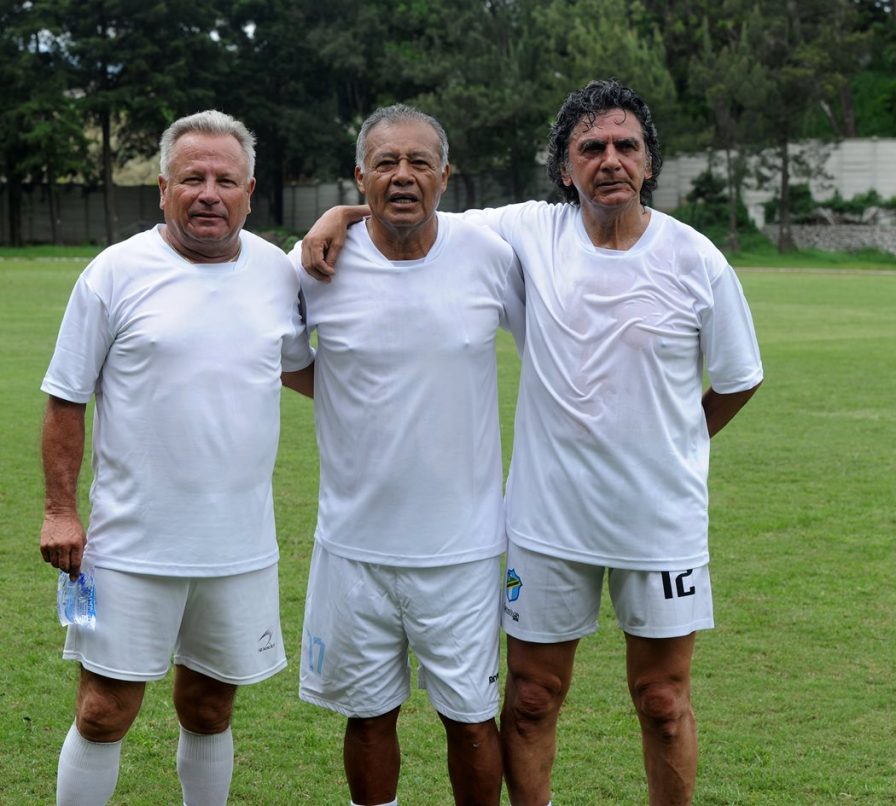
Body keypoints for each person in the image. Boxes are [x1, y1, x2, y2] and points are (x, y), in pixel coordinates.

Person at [301, 80, 763, 806]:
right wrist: (341, 212)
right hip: (546, 523)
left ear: (648, 162)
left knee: (664, 703)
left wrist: (679, 443)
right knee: (531, 699)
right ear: (564, 166)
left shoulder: (696, 258)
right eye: (590, 148)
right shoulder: (525, 234)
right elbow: (415, 199)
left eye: (625, 146)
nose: (608, 160)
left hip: (661, 521)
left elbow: (739, 378)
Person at [39, 109, 313, 806]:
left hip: (236, 547)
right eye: (193, 178)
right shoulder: (115, 272)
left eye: (226, 180)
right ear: (164, 187)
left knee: (210, 707)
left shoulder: (277, 275)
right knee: (104, 710)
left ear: (251, 191)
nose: (209, 193)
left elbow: (302, 372)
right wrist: (59, 511)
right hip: (129, 544)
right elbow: (66, 398)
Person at [282, 104, 524, 806]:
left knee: (473, 725)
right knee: (368, 716)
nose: (403, 176)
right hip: (354, 546)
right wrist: (355, 397)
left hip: (464, 549)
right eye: (386, 163)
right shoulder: (318, 266)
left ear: (447, 177)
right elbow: (294, 365)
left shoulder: (490, 254)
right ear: (360, 177)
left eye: (420, 162)